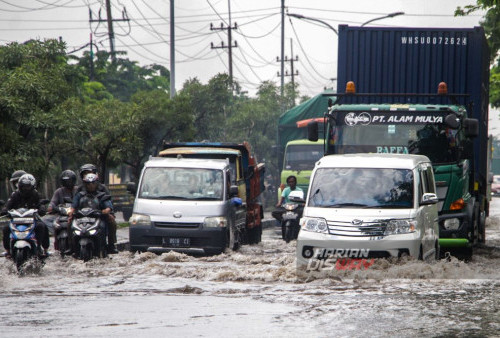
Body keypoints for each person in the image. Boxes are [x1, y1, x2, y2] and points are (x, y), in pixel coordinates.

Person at [1, 174, 50, 258]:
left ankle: (42, 249)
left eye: (27, 186)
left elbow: (41, 203)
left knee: (42, 226)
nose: (25, 188)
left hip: (32, 220)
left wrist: (42, 208)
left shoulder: (36, 194)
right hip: (16, 220)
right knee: (6, 228)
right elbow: (8, 205)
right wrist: (4, 210)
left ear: (32, 186)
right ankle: (8, 251)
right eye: (23, 186)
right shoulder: (14, 195)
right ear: (19, 186)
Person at [72, 171, 117, 254]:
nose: (91, 185)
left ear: (96, 183)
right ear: (85, 184)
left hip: (99, 217)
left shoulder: (102, 195)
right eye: (88, 183)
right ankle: (72, 247)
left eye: (93, 183)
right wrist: (71, 212)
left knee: (109, 223)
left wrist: (105, 211)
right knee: (69, 223)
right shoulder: (79, 195)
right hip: (81, 219)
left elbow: (108, 206)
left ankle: (111, 245)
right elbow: (73, 206)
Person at [47, 170, 77, 253]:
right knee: (53, 224)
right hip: (61, 215)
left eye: (69, 181)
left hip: (76, 215)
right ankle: (56, 243)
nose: (68, 183)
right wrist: (51, 207)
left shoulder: (78, 190)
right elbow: (52, 203)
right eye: (66, 181)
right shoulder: (59, 192)